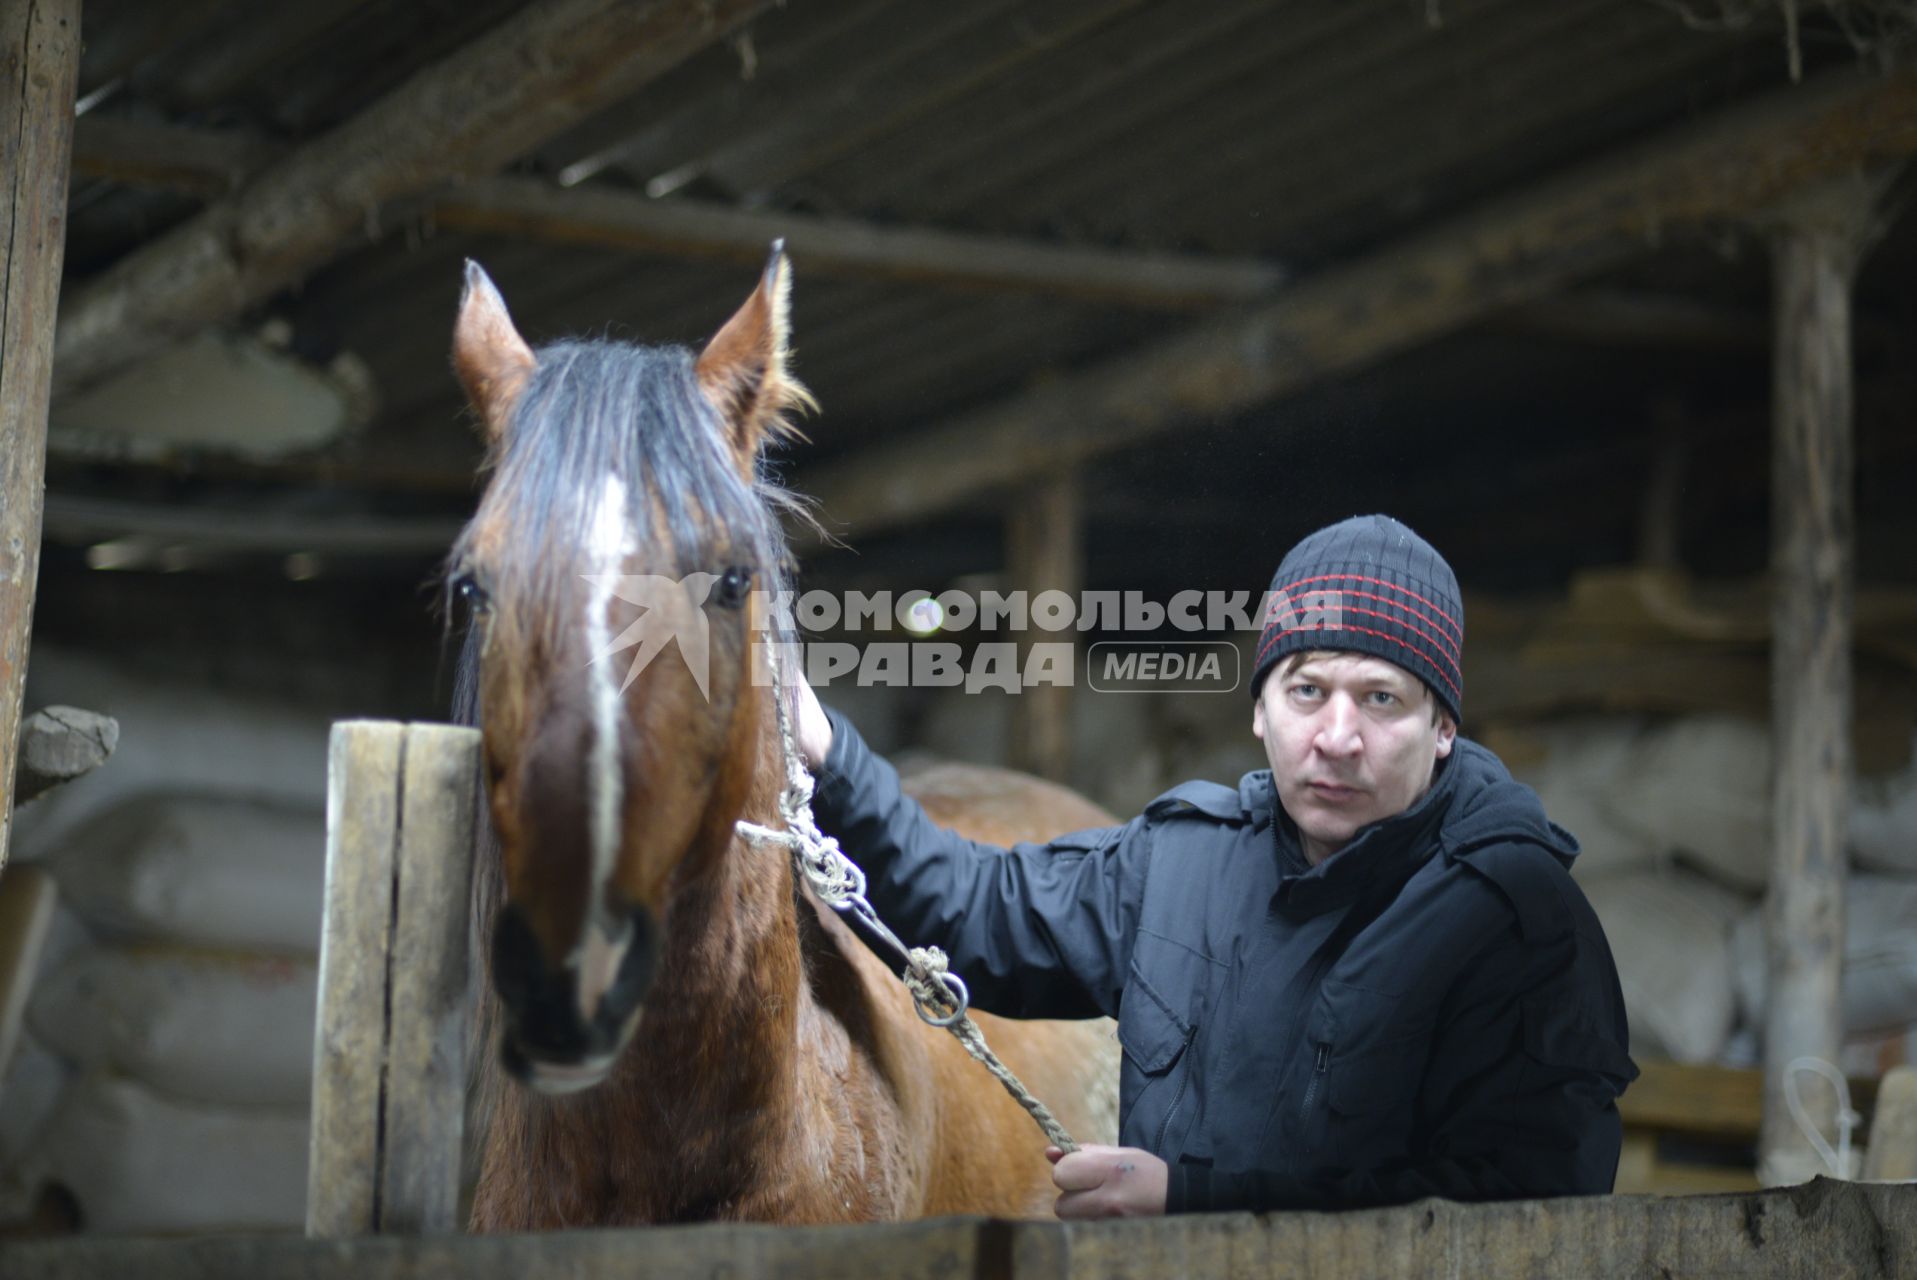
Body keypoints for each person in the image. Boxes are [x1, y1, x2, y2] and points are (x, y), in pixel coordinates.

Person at [790, 515, 1636, 1218]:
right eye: (1307, 690)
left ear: (1442, 727)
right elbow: (976, 910)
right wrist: (830, 755)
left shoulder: (1515, 918)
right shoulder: (1182, 862)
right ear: (1261, 708)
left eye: (1381, 699)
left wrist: (1186, 1202)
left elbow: (1525, 1212)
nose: (1336, 737)